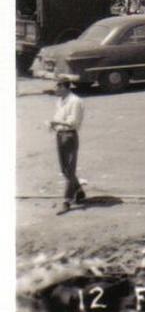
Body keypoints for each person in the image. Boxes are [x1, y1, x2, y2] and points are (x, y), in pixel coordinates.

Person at [48, 79, 86, 215]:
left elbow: (73, 122)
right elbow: (58, 117)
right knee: (64, 169)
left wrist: (55, 122)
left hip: (69, 135)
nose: (55, 91)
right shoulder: (59, 101)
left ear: (63, 87)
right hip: (59, 134)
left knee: (70, 169)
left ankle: (67, 201)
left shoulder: (75, 101)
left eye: (57, 88)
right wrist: (53, 124)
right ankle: (79, 190)